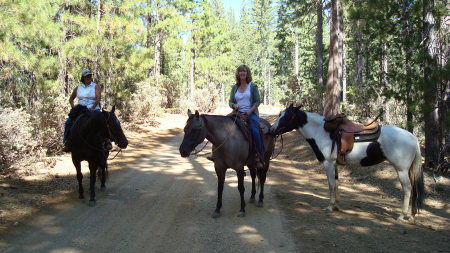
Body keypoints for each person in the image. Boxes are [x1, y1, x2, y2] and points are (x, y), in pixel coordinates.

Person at [62, 69, 112, 152]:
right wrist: (73, 107)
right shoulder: (78, 87)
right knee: (69, 122)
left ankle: (107, 140)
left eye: (89, 75)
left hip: (93, 108)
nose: (88, 77)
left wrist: (93, 108)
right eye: (86, 76)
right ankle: (67, 142)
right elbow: (71, 99)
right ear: (83, 77)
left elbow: (98, 98)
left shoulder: (95, 86)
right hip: (81, 108)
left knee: (102, 121)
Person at [228, 65, 265, 168]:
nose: (242, 73)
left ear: (247, 73)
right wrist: (233, 105)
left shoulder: (253, 86)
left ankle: (260, 156)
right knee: (223, 126)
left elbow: (257, 101)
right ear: (238, 74)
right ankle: (219, 154)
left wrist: (249, 112)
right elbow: (230, 101)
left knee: (255, 131)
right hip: (236, 113)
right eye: (240, 71)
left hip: (250, 113)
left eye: (244, 71)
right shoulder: (234, 87)